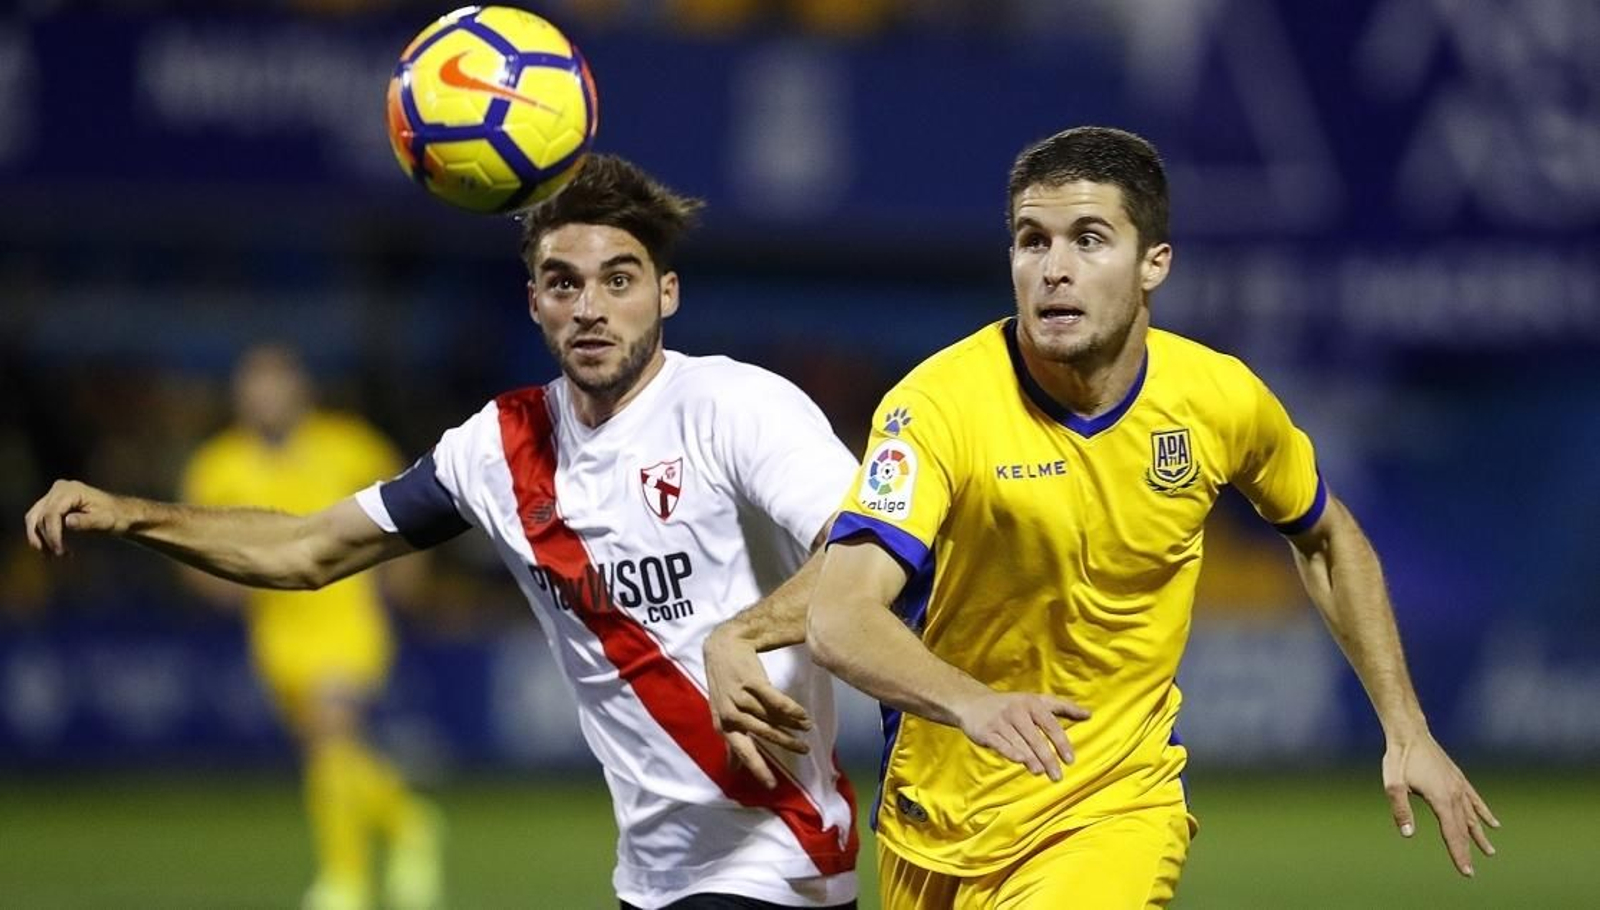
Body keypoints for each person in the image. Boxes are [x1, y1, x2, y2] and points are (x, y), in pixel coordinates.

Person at [25, 154, 860, 910]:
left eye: (620, 279)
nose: (592, 308)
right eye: (564, 284)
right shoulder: (496, 449)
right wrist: (135, 515)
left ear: (667, 292)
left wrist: (741, 636)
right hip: (649, 876)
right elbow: (307, 547)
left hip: (778, 857)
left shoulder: (736, 407)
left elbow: (866, 549)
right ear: (534, 300)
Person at [708, 126, 1499, 908]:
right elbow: (845, 615)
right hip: (938, 818)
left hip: (1114, 806)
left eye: (1089, 240)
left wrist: (1406, 727)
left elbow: (1325, 539)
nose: (1055, 270)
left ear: (1154, 263)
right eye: (1032, 241)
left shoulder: (1218, 399)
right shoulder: (937, 408)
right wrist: (973, 703)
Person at [182, 344, 443, 910]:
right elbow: (197, 546)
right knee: (330, 756)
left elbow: (408, 508)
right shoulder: (218, 465)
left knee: (332, 734)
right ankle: (406, 819)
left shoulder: (348, 444)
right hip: (277, 635)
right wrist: (214, 583)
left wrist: (409, 574)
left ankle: (344, 881)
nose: (266, 397)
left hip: (347, 621)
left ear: (301, 389)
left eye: (276, 384)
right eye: (255, 387)